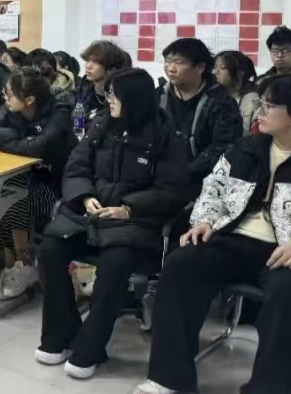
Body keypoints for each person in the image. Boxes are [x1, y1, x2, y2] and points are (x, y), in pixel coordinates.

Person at [136, 73, 291, 394]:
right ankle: (168, 377)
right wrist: (204, 220)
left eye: (269, 106)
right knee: (180, 265)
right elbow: (213, 189)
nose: (259, 111)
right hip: (235, 239)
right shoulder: (246, 149)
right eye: (261, 103)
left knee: (290, 293)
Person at [37, 68, 188, 381]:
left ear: (135, 99)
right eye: (109, 94)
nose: (110, 100)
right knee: (50, 249)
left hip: (135, 222)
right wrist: (84, 196)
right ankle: (59, 336)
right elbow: (76, 166)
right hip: (90, 215)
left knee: (114, 264)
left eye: (115, 95)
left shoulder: (166, 137)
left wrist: (129, 209)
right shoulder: (101, 125)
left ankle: (89, 349)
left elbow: (172, 191)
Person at [0, 67, 79, 299]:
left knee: (15, 204)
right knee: (0, 198)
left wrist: (17, 142)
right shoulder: (11, 109)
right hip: (30, 177)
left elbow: (40, 146)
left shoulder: (59, 110)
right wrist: (17, 137)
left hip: (59, 185)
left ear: (30, 99)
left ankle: (25, 265)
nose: (6, 99)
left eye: (10, 95)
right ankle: (14, 262)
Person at [160, 38, 244, 195]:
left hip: (202, 183)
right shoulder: (158, 96)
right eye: (168, 61)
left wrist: (184, 173)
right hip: (160, 178)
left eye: (179, 62)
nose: (170, 68)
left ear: (200, 67)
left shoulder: (221, 102)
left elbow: (224, 147)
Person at [74, 40, 130, 122]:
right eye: (88, 60)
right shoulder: (85, 87)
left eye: (95, 62)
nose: (88, 66)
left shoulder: (120, 95)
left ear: (110, 67)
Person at [213, 50, 261, 132]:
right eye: (215, 67)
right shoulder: (213, 96)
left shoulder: (253, 99)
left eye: (222, 68)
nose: (216, 72)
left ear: (240, 73)